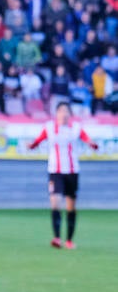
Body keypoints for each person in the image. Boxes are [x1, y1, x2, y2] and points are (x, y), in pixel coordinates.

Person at [28, 102, 99, 249]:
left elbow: (87, 139)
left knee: (70, 207)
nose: (64, 114)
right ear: (57, 113)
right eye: (61, 111)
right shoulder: (50, 128)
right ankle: (57, 238)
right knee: (55, 202)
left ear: (70, 114)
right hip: (55, 171)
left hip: (72, 172)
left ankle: (69, 240)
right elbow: (38, 140)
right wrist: (32, 145)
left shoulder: (76, 128)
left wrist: (92, 144)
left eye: (66, 111)